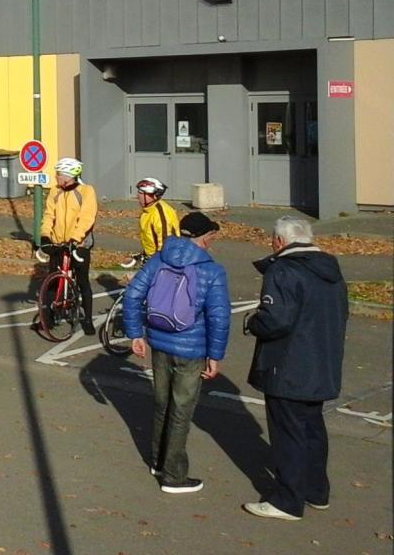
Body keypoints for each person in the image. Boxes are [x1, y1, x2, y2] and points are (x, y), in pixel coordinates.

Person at [241, 217, 348, 521]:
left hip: (288, 364)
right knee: (312, 427)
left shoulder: (283, 269)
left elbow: (276, 319)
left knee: (288, 432)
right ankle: (316, 490)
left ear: (279, 241)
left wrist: (253, 321)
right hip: (322, 361)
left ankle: (287, 501)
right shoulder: (331, 271)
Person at [122, 212, 231, 495]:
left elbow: (132, 294)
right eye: (211, 238)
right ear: (204, 239)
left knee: (161, 403)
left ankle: (157, 461)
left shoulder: (159, 258)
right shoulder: (212, 270)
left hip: (159, 341)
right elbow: (219, 316)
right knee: (181, 410)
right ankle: (173, 475)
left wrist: (135, 333)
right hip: (191, 348)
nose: (211, 243)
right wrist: (215, 355)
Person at [39, 157, 99, 335]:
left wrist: (75, 238)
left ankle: (87, 319)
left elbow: (87, 217)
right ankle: (48, 317)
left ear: (68, 176)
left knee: (82, 282)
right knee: (53, 279)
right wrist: (44, 235)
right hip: (58, 242)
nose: (55, 177)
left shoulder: (86, 191)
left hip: (79, 243)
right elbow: (49, 215)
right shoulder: (55, 192)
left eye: (58, 174)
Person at [123, 177, 180, 269]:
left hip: (164, 263)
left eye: (141, 193)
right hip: (153, 261)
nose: (138, 196)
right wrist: (143, 255)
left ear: (153, 195)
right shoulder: (148, 211)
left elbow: (166, 243)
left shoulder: (161, 213)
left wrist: (159, 265)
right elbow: (152, 241)